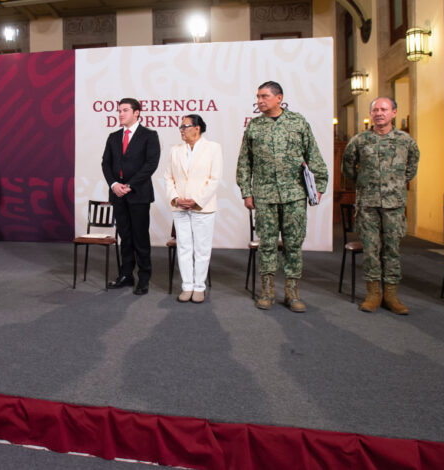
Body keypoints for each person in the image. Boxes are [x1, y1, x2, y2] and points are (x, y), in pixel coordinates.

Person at [236, 81, 328, 312]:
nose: (260, 101)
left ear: (279, 98)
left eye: (265, 96)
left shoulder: (298, 122)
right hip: (264, 196)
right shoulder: (254, 127)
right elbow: (244, 162)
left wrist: (321, 184)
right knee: (266, 244)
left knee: (293, 244)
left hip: (294, 195)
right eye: (258, 96)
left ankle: (292, 293)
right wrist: (246, 191)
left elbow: (313, 155)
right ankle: (267, 291)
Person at [342, 97, 420, 315]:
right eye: (375, 110)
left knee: (392, 249)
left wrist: (394, 184)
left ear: (394, 112)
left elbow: (412, 167)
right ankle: (373, 292)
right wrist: (364, 181)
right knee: (371, 250)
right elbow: (347, 167)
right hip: (368, 204)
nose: (379, 113)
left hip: (394, 205)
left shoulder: (406, 141)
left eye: (384, 109)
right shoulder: (360, 140)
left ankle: (392, 294)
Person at [102, 98, 161, 295]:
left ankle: (144, 278)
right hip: (118, 195)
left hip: (139, 195)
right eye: (119, 110)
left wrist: (130, 185)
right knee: (125, 237)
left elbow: (151, 164)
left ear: (137, 112)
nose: (120, 114)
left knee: (140, 237)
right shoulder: (113, 136)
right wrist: (114, 184)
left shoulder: (149, 136)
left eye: (125, 110)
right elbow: (106, 163)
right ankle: (126, 275)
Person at [164, 114, 223, 304]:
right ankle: (187, 286)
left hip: (202, 207)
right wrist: (175, 198)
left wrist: (196, 200)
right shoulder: (175, 150)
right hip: (180, 206)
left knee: (202, 248)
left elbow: (215, 179)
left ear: (197, 128)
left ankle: (199, 287)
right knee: (184, 247)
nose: (181, 130)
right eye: (180, 127)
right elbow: (168, 177)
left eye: (185, 126)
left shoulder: (213, 148)